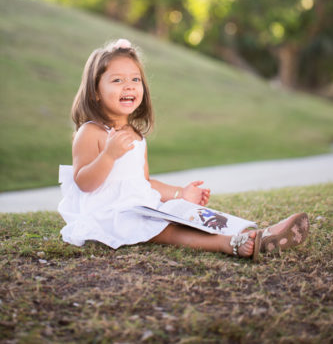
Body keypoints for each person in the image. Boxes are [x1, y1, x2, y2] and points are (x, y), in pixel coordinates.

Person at [58, 38, 309, 261]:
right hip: (109, 217)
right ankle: (227, 244)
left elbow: (144, 183)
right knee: (165, 228)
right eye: (117, 80)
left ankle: (253, 234)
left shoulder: (135, 135)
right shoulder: (90, 132)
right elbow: (84, 183)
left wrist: (180, 193)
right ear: (95, 93)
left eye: (135, 79)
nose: (129, 86)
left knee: (192, 214)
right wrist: (109, 155)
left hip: (140, 206)